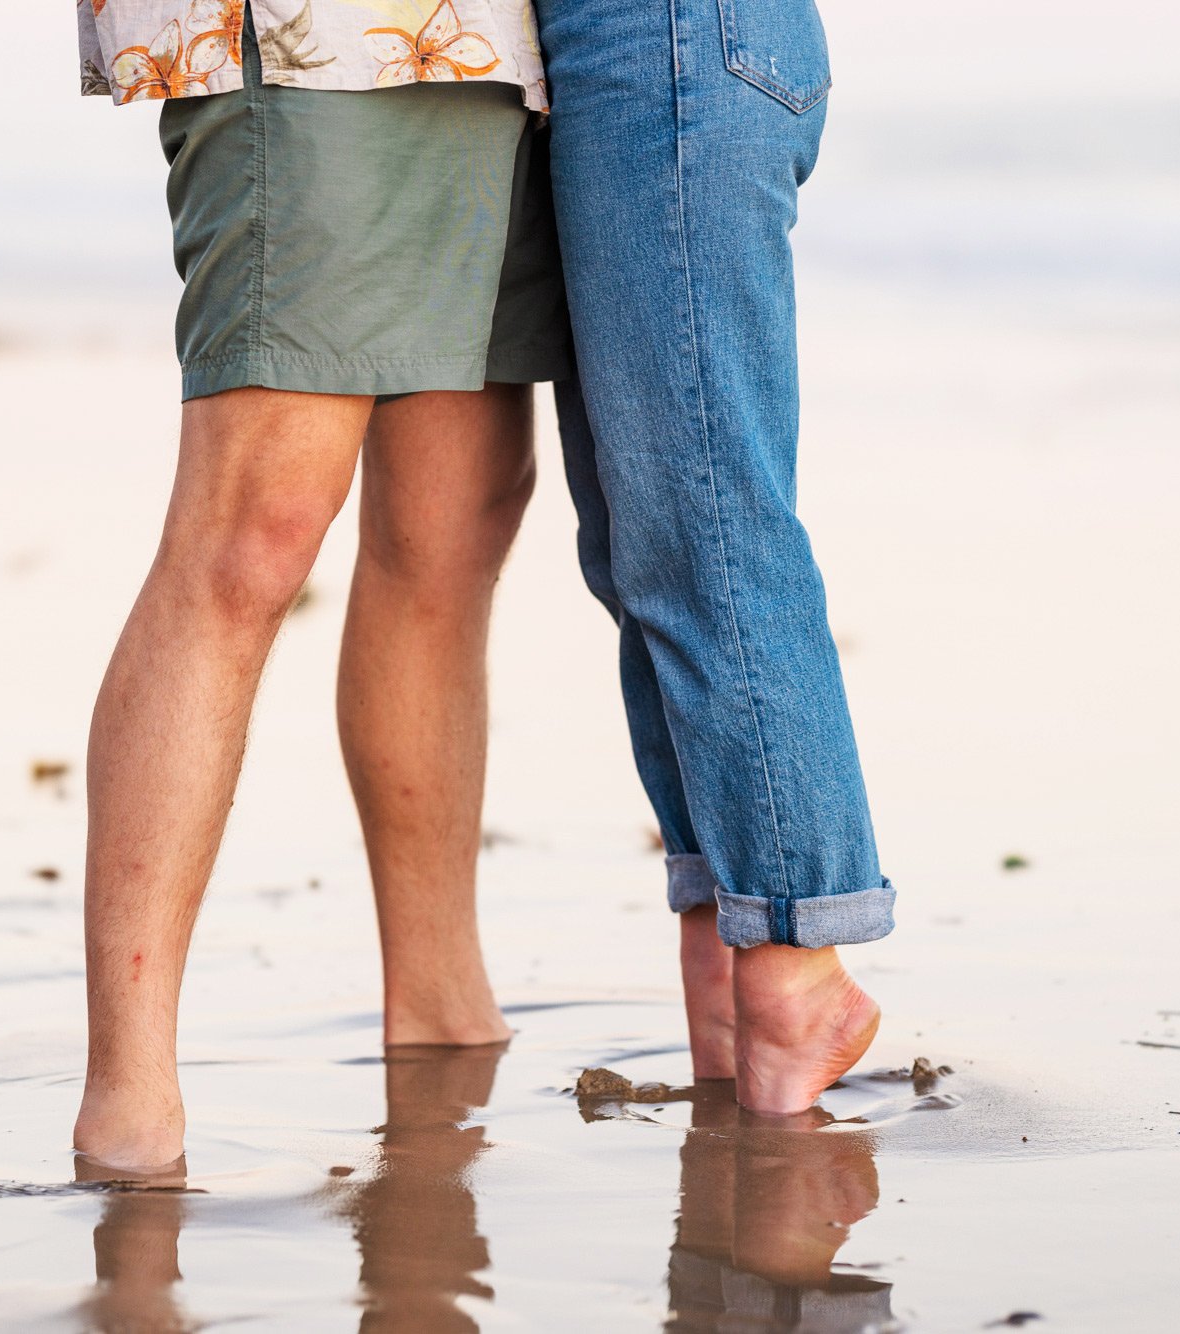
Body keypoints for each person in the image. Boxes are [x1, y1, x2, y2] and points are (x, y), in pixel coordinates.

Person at [70, 0, 571, 1170]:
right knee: (257, 520)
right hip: (314, 27)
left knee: (462, 515)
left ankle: (440, 1006)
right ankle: (128, 1099)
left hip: (511, 38)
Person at [536, 0, 897, 1114]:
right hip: (639, 45)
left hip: (671, 35)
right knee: (639, 542)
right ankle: (730, 954)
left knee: (704, 524)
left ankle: (797, 958)